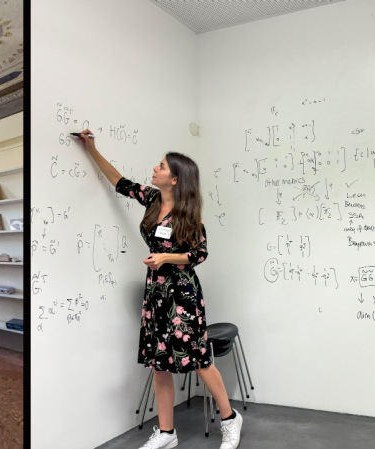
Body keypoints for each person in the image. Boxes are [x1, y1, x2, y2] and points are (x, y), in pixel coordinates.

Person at [75, 130, 243, 449]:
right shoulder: (152, 199)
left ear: (176, 179)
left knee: (199, 360)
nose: (155, 169)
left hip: (183, 295)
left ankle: (229, 418)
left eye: (162, 166)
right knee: (158, 361)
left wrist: (167, 256)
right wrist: (92, 149)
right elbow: (119, 182)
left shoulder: (188, 215)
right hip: (156, 293)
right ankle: (167, 433)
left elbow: (199, 253)